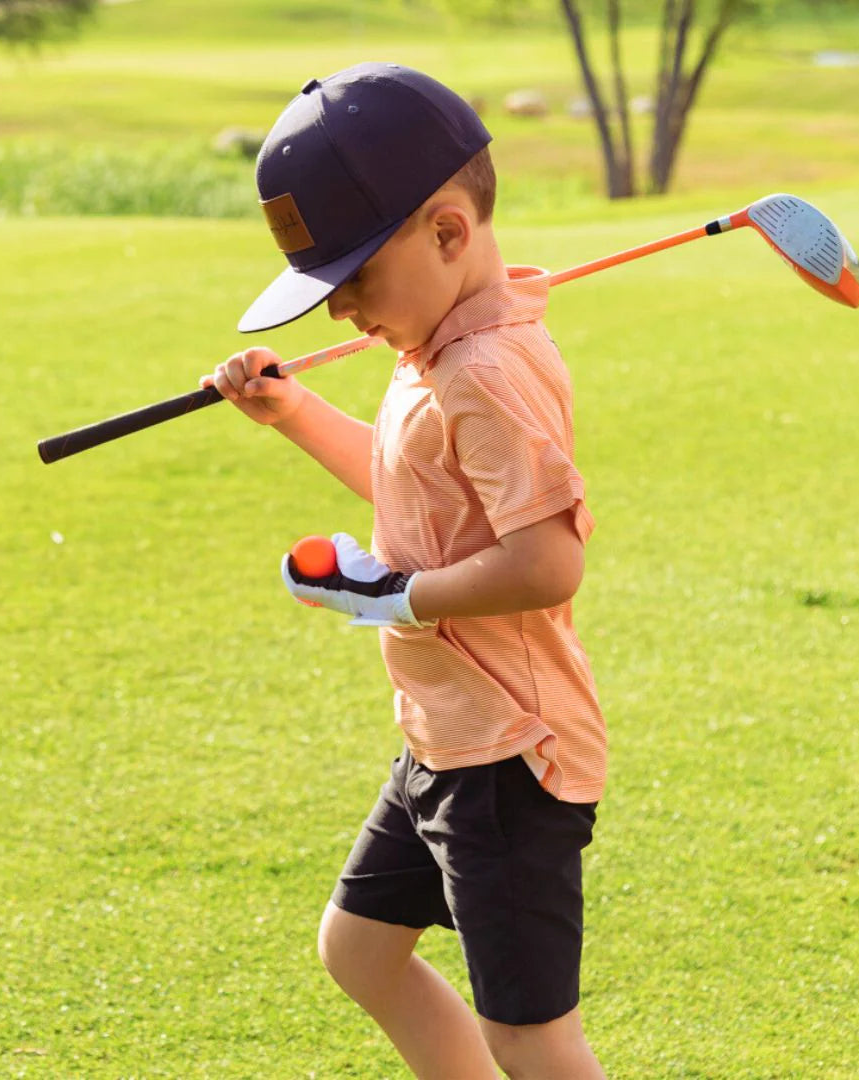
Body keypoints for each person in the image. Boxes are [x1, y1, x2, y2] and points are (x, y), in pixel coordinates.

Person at [201, 62, 608, 1080]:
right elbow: (404, 489)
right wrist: (292, 411)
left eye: (354, 284)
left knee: (530, 1034)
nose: (340, 315)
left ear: (447, 233)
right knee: (361, 949)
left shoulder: (484, 374)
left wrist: (401, 597)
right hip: (449, 737)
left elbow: (549, 560)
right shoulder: (434, 351)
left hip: (510, 756)